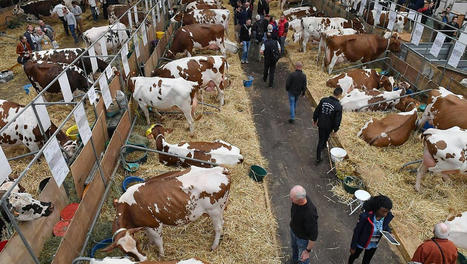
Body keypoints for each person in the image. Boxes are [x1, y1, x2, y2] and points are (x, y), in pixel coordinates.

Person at [348, 195, 394, 264]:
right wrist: (353, 246)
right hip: (362, 241)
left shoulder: (386, 216)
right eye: (383, 211)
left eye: (387, 212)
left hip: (374, 242)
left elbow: (385, 226)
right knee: (355, 255)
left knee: (366, 261)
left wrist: (389, 232)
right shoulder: (365, 217)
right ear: (376, 208)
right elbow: (357, 232)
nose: (385, 214)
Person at [289, 185, 318, 264]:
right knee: (294, 248)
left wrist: (307, 251)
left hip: (302, 239)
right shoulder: (299, 199)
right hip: (293, 231)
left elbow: (314, 235)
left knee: (302, 258)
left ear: (300, 200)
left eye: (292, 198)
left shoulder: (310, 214)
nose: (290, 199)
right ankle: (294, 261)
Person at [312, 88, 342, 164]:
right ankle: (318, 158)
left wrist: (315, 119)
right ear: (339, 95)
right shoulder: (338, 106)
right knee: (323, 139)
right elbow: (337, 120)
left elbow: (317, 111)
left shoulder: (324, 100)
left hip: (321, 124)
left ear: (333, 92)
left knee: (322, 138)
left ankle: (323, 146)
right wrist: (335, 130)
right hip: (329, 126)